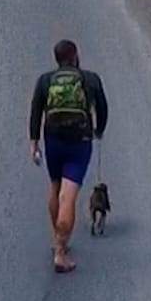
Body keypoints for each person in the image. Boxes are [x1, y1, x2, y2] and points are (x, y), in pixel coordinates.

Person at [28, 39, 109, 273]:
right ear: (75, 56)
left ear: (57, 59)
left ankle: (57, 237)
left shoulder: (45, 80)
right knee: (68, 196)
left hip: (53, 141)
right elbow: (102, 108)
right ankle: (60, 253)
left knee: (55, 186)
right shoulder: (90, 79)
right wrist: (98, 130)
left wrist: (34, 142)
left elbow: (36, 111)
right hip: (79, 142)